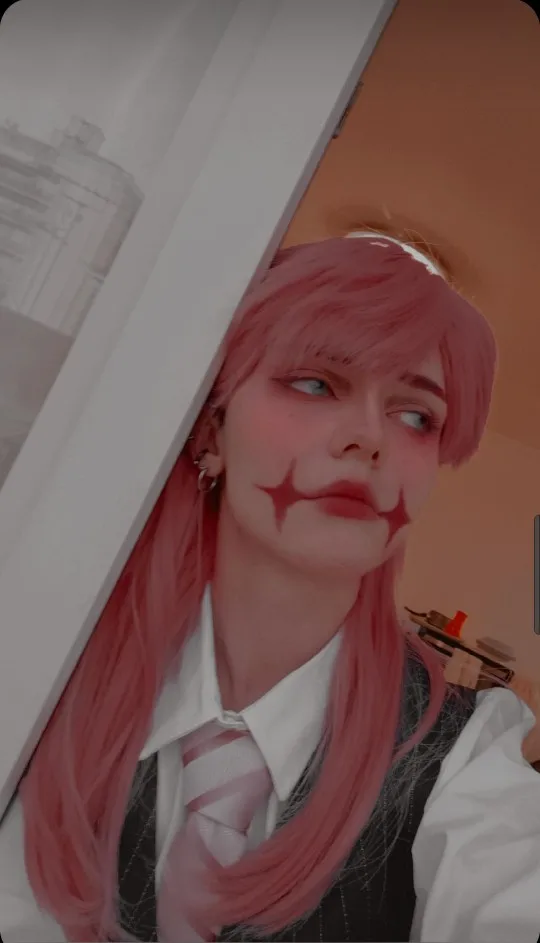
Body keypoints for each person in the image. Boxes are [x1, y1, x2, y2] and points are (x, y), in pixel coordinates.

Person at [1, 233, 539, 943]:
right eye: (315, 383)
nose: (371, 438)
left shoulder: (463, 754)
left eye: (417, 415)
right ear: (211, 431)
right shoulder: (47, 664)